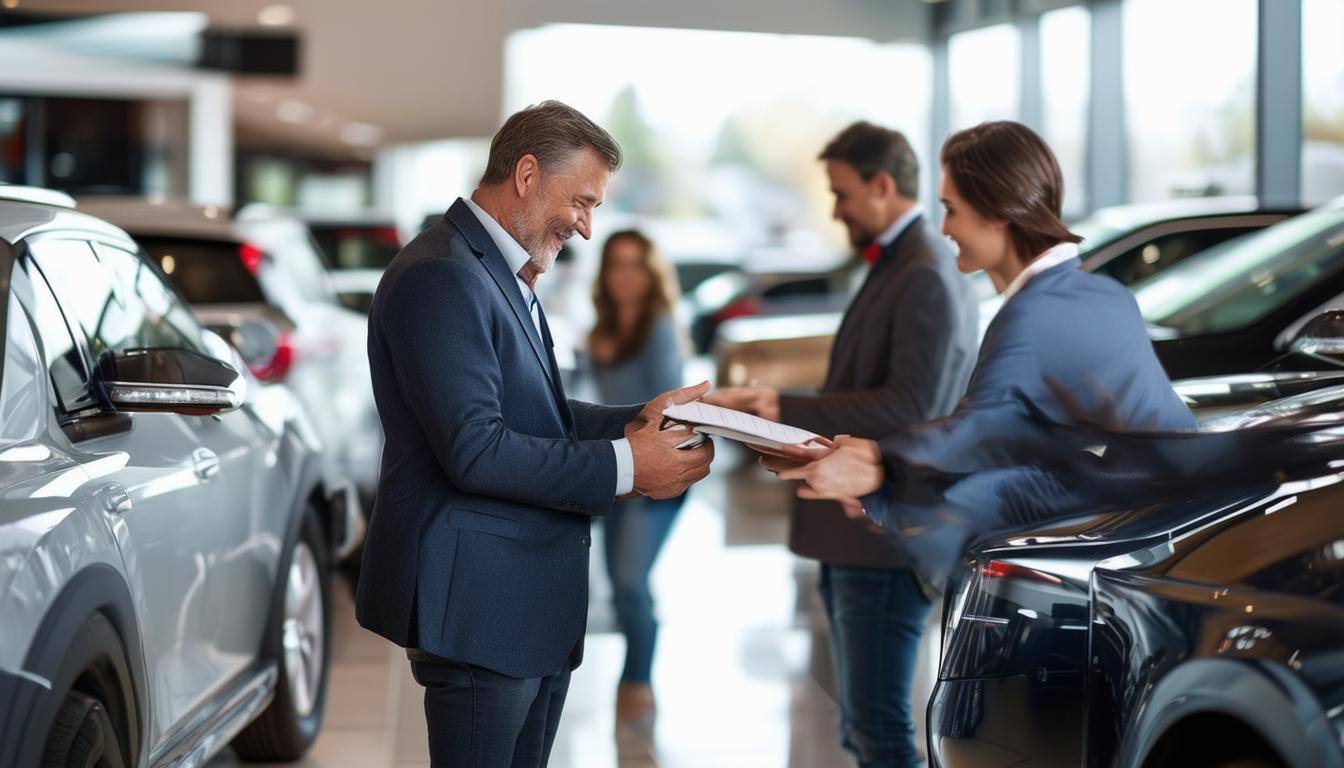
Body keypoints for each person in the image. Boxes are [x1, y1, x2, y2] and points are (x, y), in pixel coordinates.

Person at [355, 101, 715, 768]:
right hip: (480, 613)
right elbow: (476, 449)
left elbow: (535, 413)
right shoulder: (442, 275)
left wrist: (637, 418)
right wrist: (627, 466)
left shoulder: (497, 270)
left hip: (523, 609)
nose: (585, 225)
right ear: (526, 173)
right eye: (580, 201)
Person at [772, 121, 1196, 584]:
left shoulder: (1037, 312)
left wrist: (876, 468)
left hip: (1121, 567)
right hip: (1156, 551)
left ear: (997, 212)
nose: (946, 227)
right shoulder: (1098, 293)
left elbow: (980, 430)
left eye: (952, 209)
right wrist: (876, 462)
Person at [704, 121, 979, 768]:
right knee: (862, 730)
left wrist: (781, 409)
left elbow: (910, 407)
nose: (835, 210)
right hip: (857, 532)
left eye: (843, 193)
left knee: (880, 734)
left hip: (880, 537)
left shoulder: (924, 272)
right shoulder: (901, 264)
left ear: (882, 186)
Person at [586, 230, 687, 724]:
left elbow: (669, 412)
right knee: (617, 582)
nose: (625, 274)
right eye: (616, 264)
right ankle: (634, 674)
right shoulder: (599, 330)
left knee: (630, 579)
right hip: (616, 471)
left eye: (635, 264)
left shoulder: (659, 328)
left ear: (650, 274)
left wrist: (636, 464)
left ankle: (638, 678)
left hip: (658, 471)